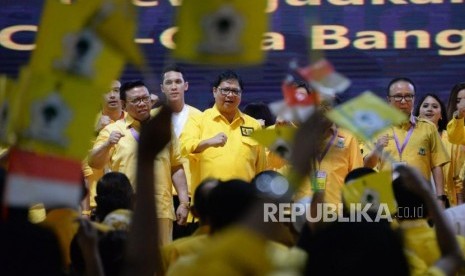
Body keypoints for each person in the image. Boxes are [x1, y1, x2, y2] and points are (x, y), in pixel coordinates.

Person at [88, 80, 189, 245]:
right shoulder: (112, 130)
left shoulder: (163, 129)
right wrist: (107, 144)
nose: (142, 104)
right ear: (124, 104)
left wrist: (184, 202)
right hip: (127, 210)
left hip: (161, 209)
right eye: (135, 100)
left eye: (145, 98)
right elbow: (94, 163)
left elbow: (176, 166)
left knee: (162, 263)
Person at [363, 77, 449, 206]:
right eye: (398, 97)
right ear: (388, 100)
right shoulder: (376, 129)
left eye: (408, 96)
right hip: (387, 200)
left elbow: (437, 166)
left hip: (420, 198)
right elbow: (367, 166)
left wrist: (440, 197)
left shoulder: (428, 128)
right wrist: (377, 150)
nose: (403, 101)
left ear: (414, 98)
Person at [180, 70, 266, 186]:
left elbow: (261, 169)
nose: (230, 95)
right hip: (208, 200)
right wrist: (207, 142)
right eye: (225, 90)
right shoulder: (198, 120)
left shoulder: (253, 125)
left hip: (244, 200)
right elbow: (184, 148)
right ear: (214, 91)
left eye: (235, 91)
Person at [159, 64, 202, 239]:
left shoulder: (200, 117)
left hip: (191, 194)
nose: (174, 86)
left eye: (178, 81)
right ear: (162, 88)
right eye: (169, 82)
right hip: (161, 195)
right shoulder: (152, 118)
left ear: (186, 85)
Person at [82, 80, 125, 216]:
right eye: (107, 91)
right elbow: (80, 168)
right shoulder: (86, 122)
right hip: (95, 203)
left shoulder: (134, 122)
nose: (112, 95)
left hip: (127, 201)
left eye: (116, 91)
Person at [414, 93, 461, 207]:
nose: (429, 109)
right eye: (425, 106)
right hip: (416, 198)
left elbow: (458, 177)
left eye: (435, 106)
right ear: (418, 112)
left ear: (441, 115)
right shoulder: (408, 138)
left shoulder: (451, 139)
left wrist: (460, 204)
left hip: (446, 200)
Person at [445, 82, 465, 205]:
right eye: (458, 101)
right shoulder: (450, 129)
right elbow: (454, 137)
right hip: (453, 195)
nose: (463, 104)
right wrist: (459, 116)